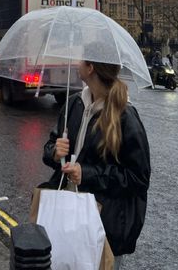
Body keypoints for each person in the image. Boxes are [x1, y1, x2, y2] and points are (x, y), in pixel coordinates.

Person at [41, 58, 151, 269]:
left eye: (81, 60)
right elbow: (49, 147)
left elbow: (139, 178)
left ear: (90, 68)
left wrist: (87, 173)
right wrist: (55, 152)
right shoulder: (74, 104)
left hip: (103, 225)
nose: (76, 63)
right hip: (68, 215)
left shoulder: (126, 117)